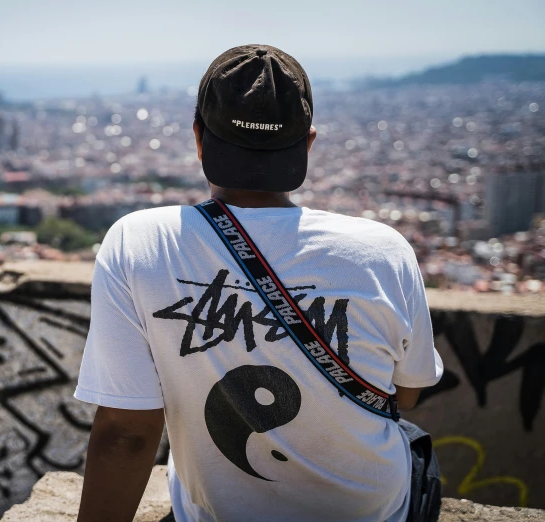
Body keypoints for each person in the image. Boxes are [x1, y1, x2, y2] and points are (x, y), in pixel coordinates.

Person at [74, 44, 444, 522]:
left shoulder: (140, 243)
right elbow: (406, 394)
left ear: (198, 138)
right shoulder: (382, 252)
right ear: (307, 144)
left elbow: (127, 430)